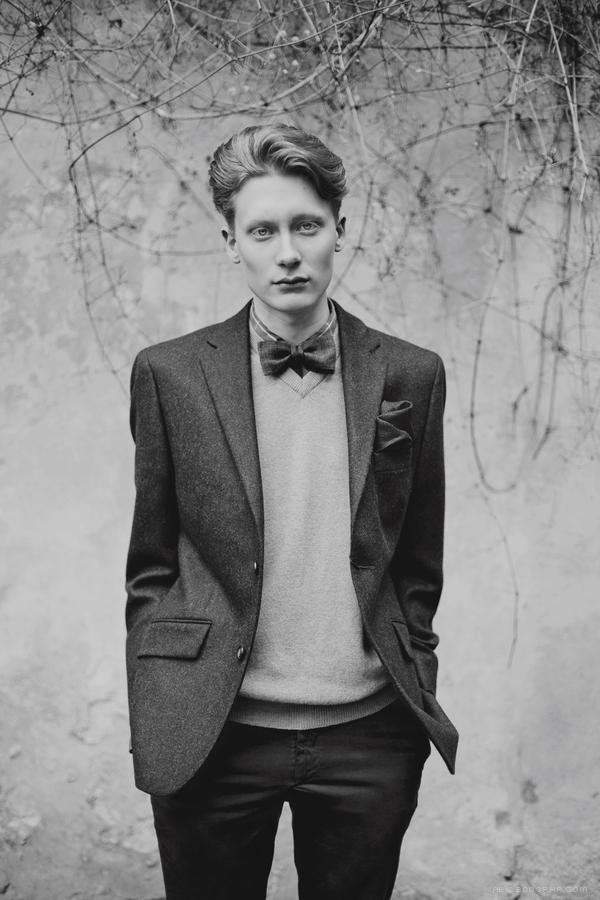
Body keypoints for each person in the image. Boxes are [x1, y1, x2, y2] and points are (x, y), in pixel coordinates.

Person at [125, 123, 458, 900]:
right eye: (263, 231)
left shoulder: (412, 374)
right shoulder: (170, 375)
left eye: (306, 227)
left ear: (339, 229)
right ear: (230, 242)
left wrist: (414, 670)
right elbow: (151, 565)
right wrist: (161, 693)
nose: (287, 253)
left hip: (369, 735)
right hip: (212, 731)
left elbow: (418, 558)